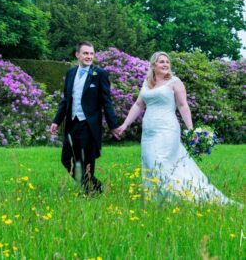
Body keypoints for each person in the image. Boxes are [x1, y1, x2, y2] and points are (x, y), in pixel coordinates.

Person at [117, 51, 236, 204]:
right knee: (148, 162)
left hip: (167, 129)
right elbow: (138, 105)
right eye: (161, 62)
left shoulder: (174, 82)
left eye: (167, 62)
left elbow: (182, 105)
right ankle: (158, 201)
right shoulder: (147, 84)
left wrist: (191, 129)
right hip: (148, 132)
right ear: (153, 65)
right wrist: (125, 125)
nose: (165, 64)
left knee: (160, 162)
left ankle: (186, 197)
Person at [51, 41, 119, 194]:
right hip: (72, 122)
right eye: (85, 53)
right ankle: (96, 187)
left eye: (91, 53)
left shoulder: (99, 74)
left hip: (89, 125)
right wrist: (56, 120)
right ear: (77, 55)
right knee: (66, 158)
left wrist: (113, 125)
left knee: (87, 161)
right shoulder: (70, 73)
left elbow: (106, 102)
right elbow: (66, 99)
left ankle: (90, 193)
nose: (89, 56)